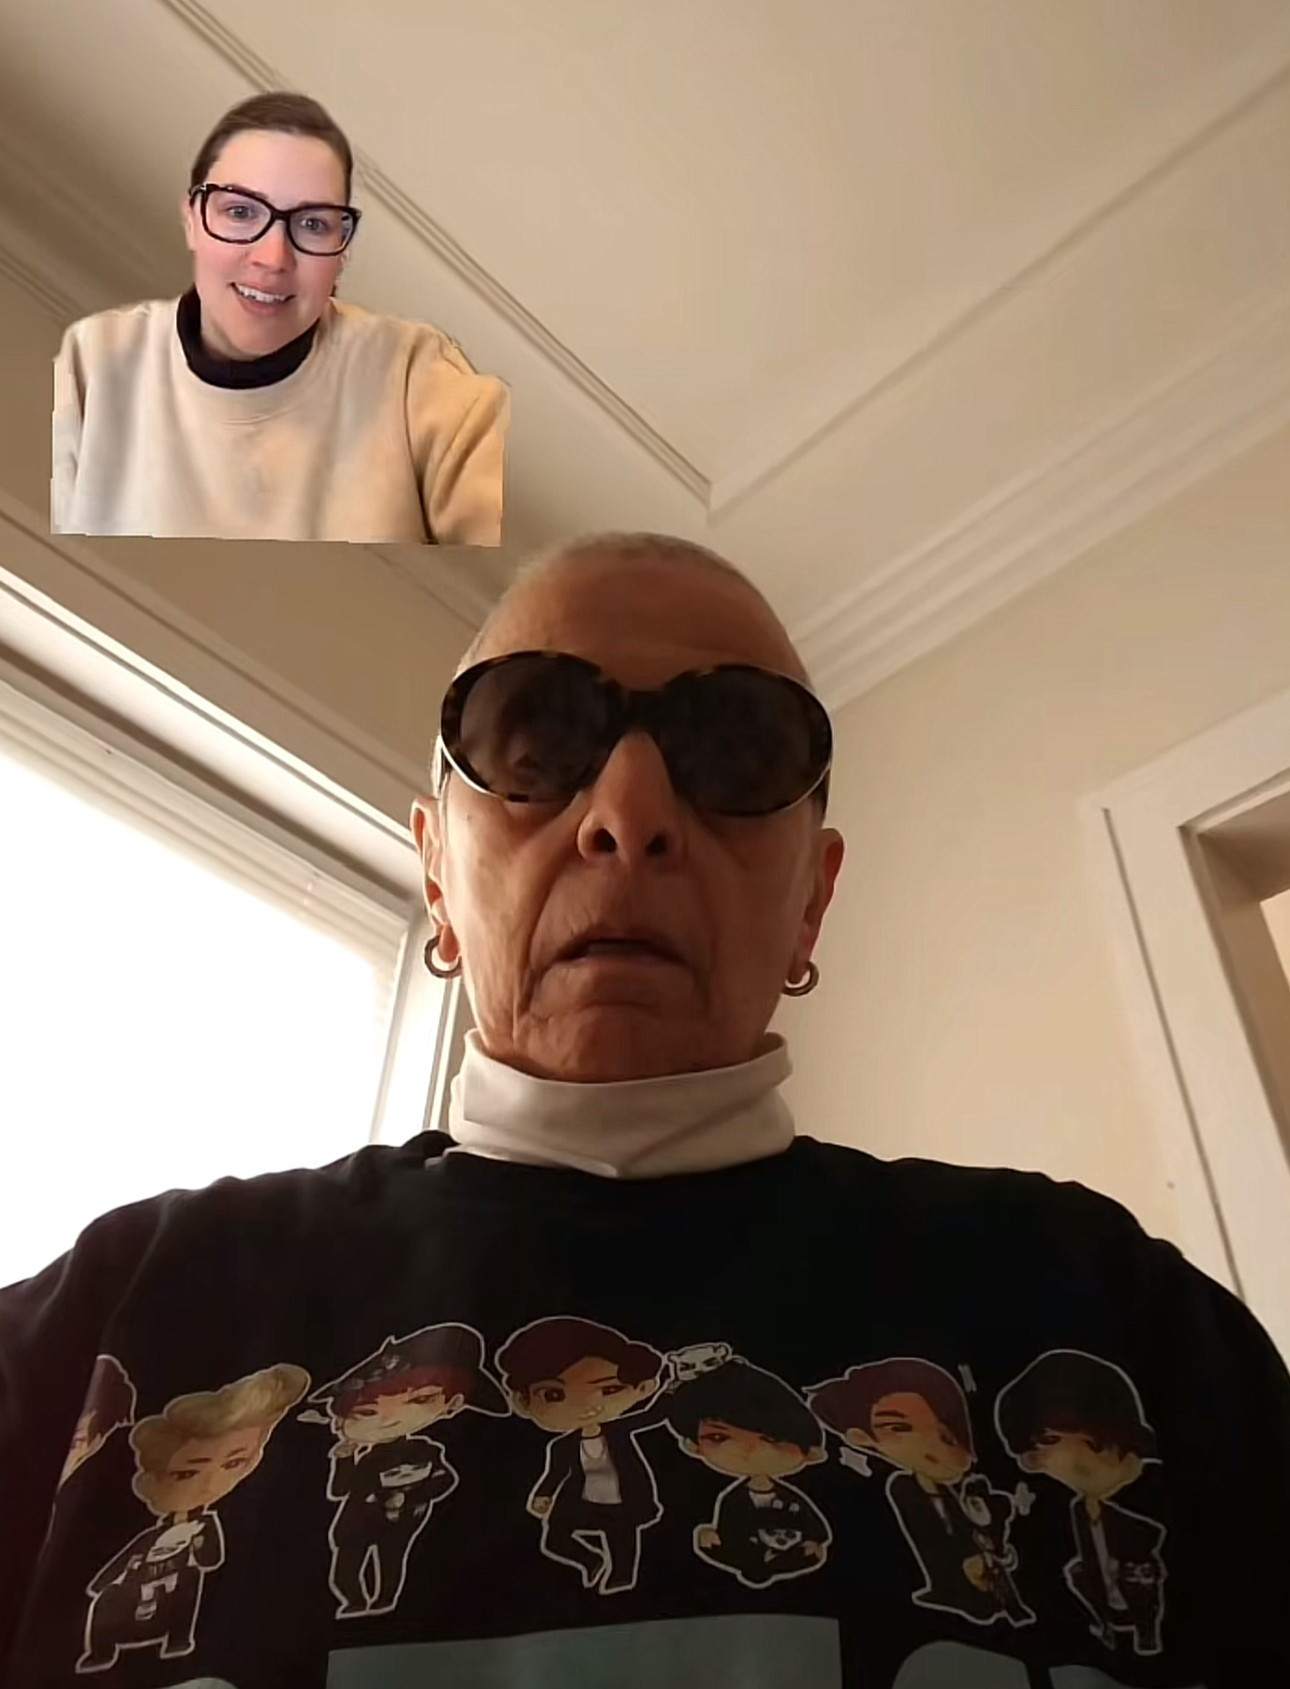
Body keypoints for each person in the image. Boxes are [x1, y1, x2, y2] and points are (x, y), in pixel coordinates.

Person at [1, 532, 1287, 1689]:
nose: (628, 816)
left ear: (813, 902)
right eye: (534, 744)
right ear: (437, 876)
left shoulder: (1110, 1311)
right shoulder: (125, 1304)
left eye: (735, 752)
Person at [51, 92, 508, 544]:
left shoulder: (416, 378)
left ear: (343, 250)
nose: (273, 258)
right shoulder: (92, 362)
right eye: (240, 212)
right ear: (191, 219)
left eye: (313, 224)